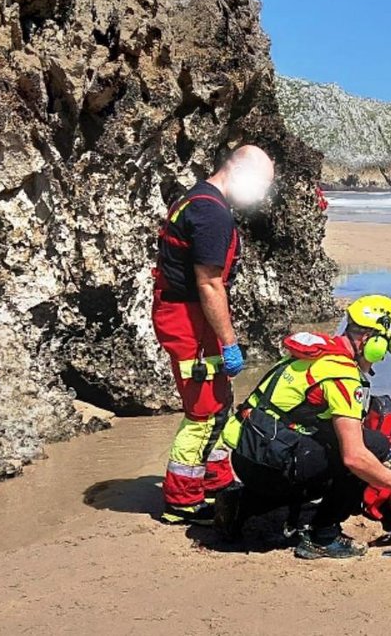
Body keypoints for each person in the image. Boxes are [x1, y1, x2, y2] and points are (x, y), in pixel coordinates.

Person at [215, 295, 391, 558]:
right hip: (267, 463)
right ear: (373, 340)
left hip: (247, 454)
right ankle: (322, 536)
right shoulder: (342, 375)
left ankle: (241, 504)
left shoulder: (321, 352)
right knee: (369, 452)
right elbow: (354, 457)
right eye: (384, 350)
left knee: (353, 449)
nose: (381, 359)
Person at [151, 145, 273, 525]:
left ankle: (216, 482)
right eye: (261, 186)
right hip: (189, 320)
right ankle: (183, 501)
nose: (261, 196)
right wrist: (230, 342)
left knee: (219, 403)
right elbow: (209, 284)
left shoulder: (197, 201)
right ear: (239, 171)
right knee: (203, 413)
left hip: (190, 315)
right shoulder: (211, 213)